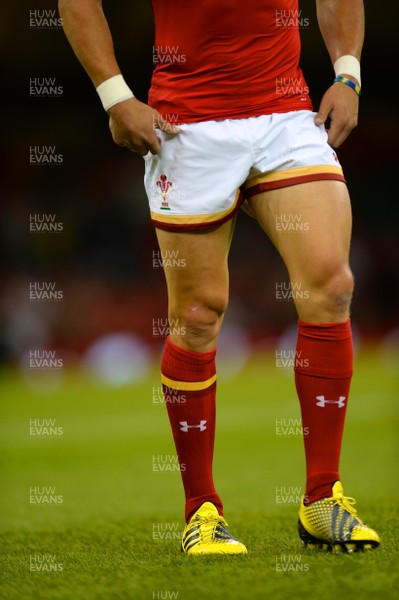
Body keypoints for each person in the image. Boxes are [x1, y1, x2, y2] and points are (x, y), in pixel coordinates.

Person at [59, 0, 380, 555]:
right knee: (199, 315)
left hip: (285, 116)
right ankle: (201, 511)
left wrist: (346, 73)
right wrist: (116, 97)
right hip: (187, 124)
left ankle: (323, 499)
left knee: (332, 286)